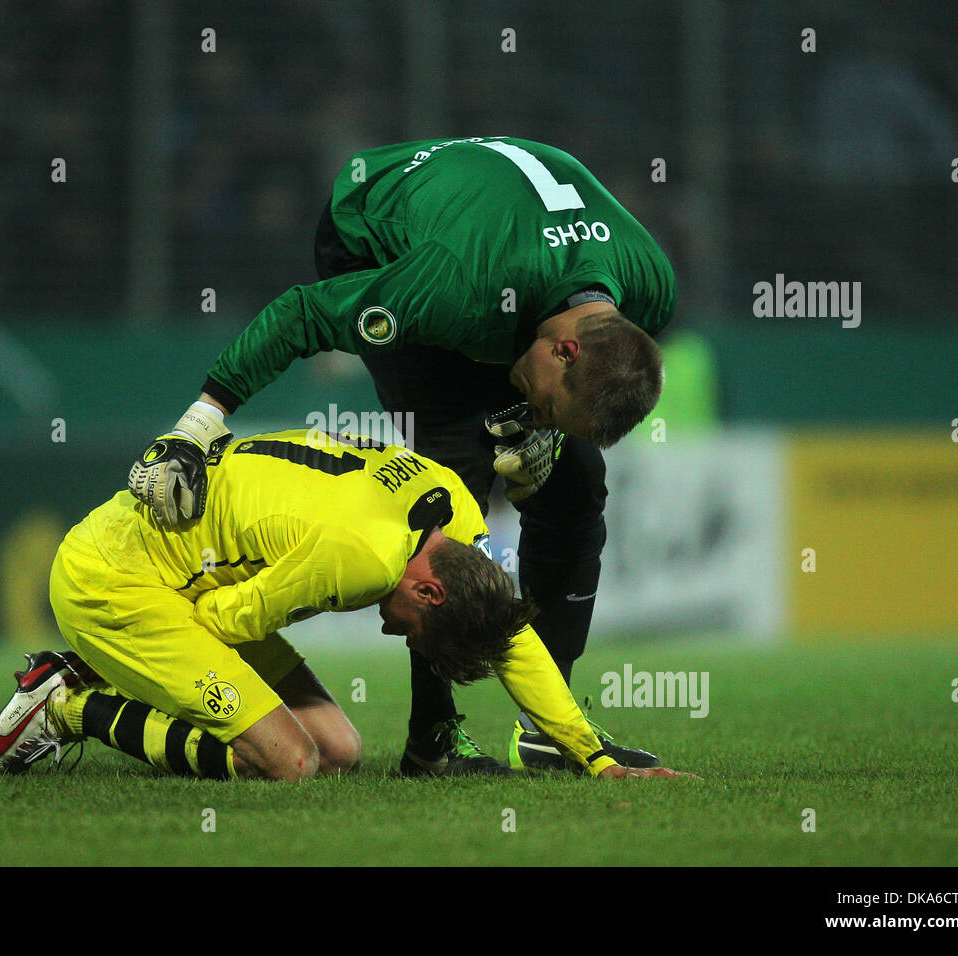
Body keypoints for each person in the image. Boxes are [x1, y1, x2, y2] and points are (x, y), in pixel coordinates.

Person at [127, 137, 676, 774]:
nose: (541, 415)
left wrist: (542, 429)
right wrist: (198, 424)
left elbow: (572, 383)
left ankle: (547, 731)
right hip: (375, 227)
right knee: (450, 498)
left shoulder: (649, 290)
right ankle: (433, 738)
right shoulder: (447, 286)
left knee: (578, 489)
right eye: (550, 407)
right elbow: (300, 314)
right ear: (566, 352)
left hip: (500, 247)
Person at [0, 429, 694, 782]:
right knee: (287, 762)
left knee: (339, 752)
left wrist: (597, 760)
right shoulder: (359, 557)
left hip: (201, 575)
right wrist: (165, 674)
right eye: (411, 627)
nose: (387, 625)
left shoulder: (457, 517)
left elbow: (508, 634)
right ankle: (64, 702)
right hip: (118, 580)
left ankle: (98, 690)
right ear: (426, 587)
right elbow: (219, 624)